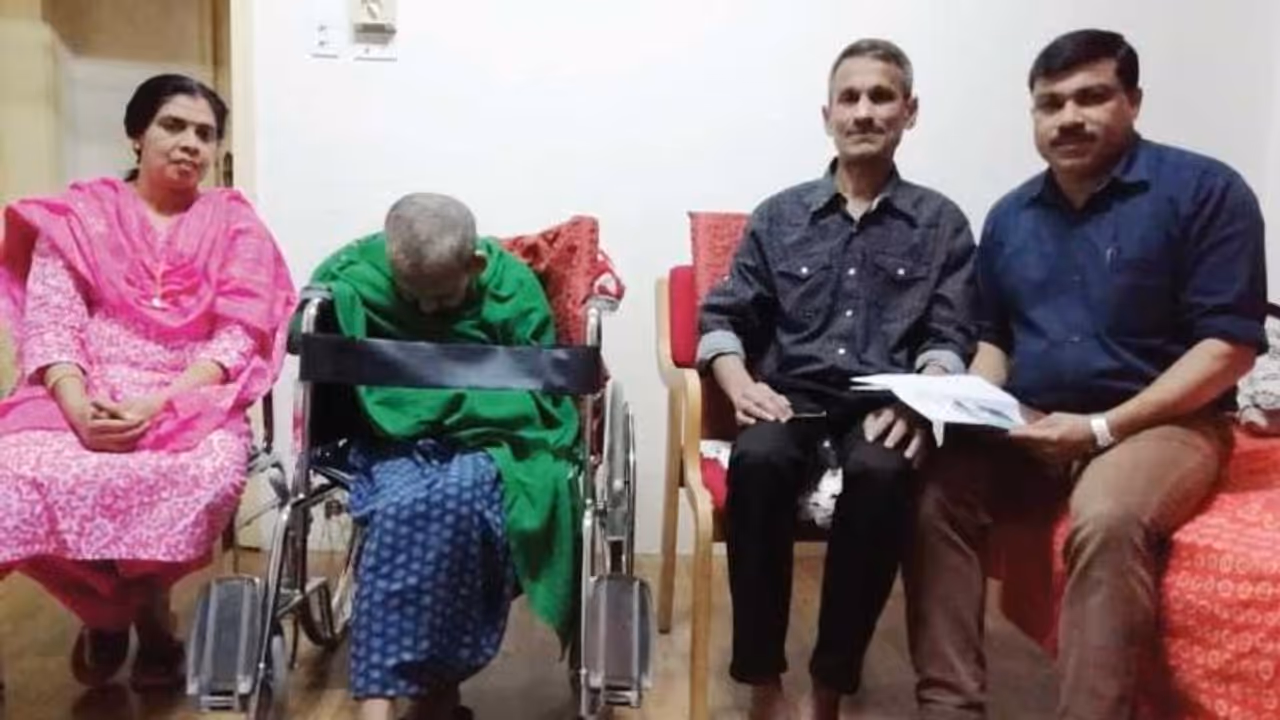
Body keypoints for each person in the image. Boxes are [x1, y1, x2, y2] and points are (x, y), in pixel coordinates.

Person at [906, 29, 1267, 720]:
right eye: (1050, 104)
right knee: (935, 492)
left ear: (1133, 100)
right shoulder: (1011, 217)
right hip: (1035, 420)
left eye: (1091, 97)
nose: (1068, 118)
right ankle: (949, 708)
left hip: (1161, 423)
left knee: (1105, 520)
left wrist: (1102, 428)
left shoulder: (1206, 192)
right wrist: (973, 404)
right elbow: (995, 338)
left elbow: (1229, 346)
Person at [697, 39, 976, 720]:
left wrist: (922, 401)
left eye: (881, 96)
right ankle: (763, 681)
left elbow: (950, 335)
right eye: (849, 98)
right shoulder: (779, 216)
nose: (864, 111)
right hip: (793, 394)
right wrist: (736, 383)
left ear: (909, 112)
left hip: (887, 400)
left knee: (883, 474)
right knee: (759, 462)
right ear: (827, 116)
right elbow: (724, 316)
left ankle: (830, 685)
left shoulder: (941, 222)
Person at [0, 74, 296, 689]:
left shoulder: (234, 223)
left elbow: (238, 335)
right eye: (173, 126)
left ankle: (139, 609)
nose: (190, 143)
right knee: (14, 476)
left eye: (205, 134)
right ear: (137, 134)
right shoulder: (79, 217)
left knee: (202, 477)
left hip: (190, 397)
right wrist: (79, 409)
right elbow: (52, 322)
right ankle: (114, 612)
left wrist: (160, 403)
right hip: (76, 391)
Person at [306, 193, 580, 720]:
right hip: (393, 435)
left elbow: (544, 392)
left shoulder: (513, 289)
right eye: (412, 295)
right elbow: (310, 335)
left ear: (474, 264)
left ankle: (433, 689)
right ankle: (387, 698)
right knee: (397, 509)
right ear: (391, 260)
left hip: (493, 437)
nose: (427, 310)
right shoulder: (356, 274)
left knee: (461, 502)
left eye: (441, 296)